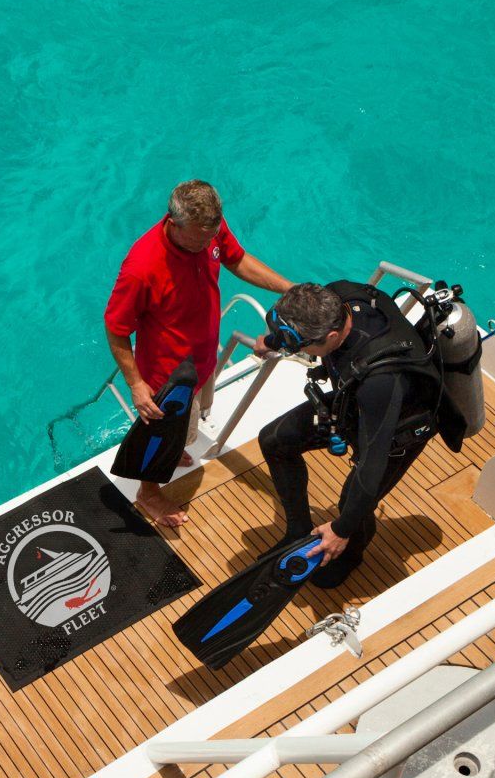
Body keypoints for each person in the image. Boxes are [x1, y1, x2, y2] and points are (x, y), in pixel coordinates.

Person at [105, 180, 290, 527]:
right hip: (168, 378)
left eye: (212, 237)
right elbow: (115, 328)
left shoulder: (208, 228)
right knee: (162, 436)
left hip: (202, 361)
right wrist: (136, 384)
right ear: (174, 225)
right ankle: (148, 492)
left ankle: (175, 451)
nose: (209, 245)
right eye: (199, 240)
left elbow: (237, 260)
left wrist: (289, 289)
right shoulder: (142, 267)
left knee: (187, 430)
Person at [255, 281, 449, 587]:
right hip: (355, 403)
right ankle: (297, 532)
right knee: (275, 441)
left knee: (353, 502)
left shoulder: (380, 381)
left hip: (399, 428)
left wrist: (341, 530)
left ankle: (349, 554)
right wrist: (274, 340)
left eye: (300, 346)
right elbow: (300, 335)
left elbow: (371, 467)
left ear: (331, 337)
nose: (298, 352)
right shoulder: (339, 296)